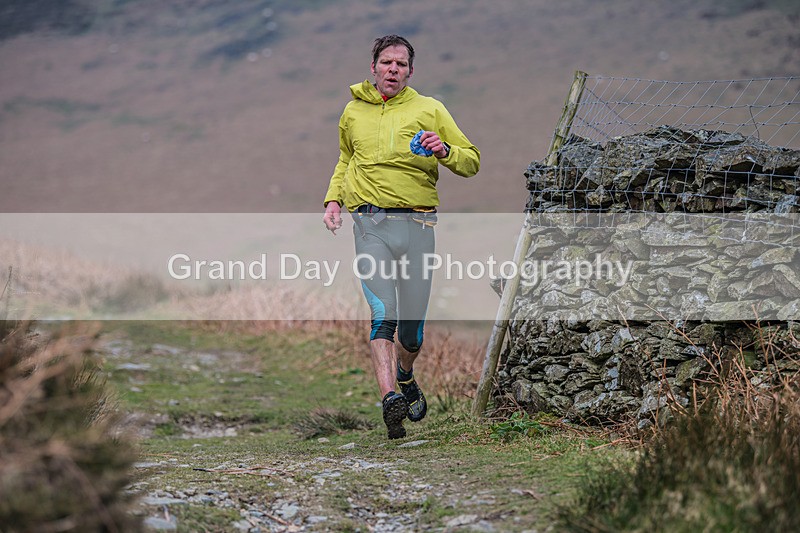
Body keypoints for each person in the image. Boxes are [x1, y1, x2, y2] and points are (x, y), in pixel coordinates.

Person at [322, 35, 480, 439]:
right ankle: (390, 397)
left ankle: (406, 376)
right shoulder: (352, 111)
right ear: (373, 66)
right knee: (382, 317)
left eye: (401, 64)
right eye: (387, 62)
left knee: (410, 333)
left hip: (418, 228)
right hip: (370, 226)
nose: (393, 69)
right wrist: (334, 200)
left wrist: (444, 150)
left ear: (410, 71)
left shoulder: (430, 109)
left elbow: (471, 161)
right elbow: (346, 159)